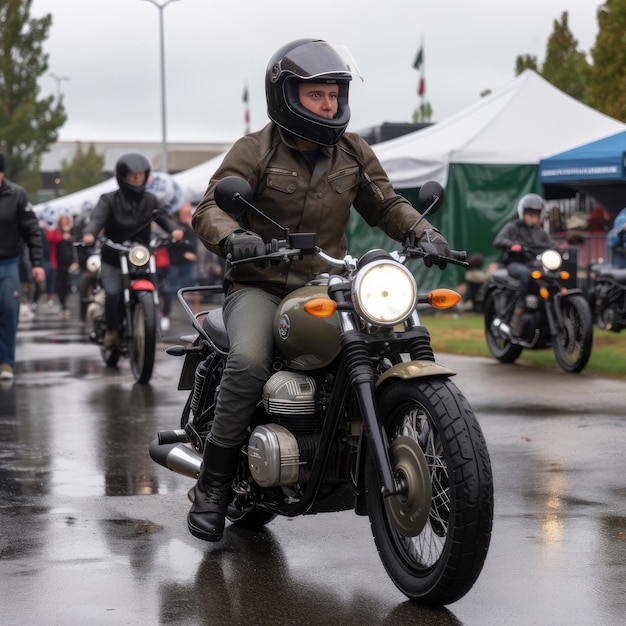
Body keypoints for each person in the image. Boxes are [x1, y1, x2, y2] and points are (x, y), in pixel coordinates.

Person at [187, 39, 453, 542]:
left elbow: (386, 203)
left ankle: (444, 474)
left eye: (333, 94)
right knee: (247, 361)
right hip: (261, 286)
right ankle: (213, 486)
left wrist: (423, 231)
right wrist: (235, 238)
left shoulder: (353, 151)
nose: (328, 105)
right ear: (287, 95)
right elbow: (209, 209)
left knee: (393, 340)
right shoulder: (255, 149)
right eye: (317, 95)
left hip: (327, 284)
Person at [81, 152, 184, 349]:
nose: (137, 177)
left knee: (156, 286)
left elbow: (164, 218)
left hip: (140, 256)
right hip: (113, 257)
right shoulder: (109, 200)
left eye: (141, 173)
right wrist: (89, 233)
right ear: (122, 175)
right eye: (132, 174)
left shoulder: (151, 200)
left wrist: (175, 229)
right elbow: (96, 220)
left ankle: (151, 323)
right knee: (113, 293)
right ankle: (111, 331)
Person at [0, 151, 45, 380]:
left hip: (8, 262)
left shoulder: (17, 195)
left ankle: (5, 362)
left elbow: (32, 231)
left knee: (9, 309)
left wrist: (37, 263)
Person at [493, 193, 554, 336]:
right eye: (530, 213)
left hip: (535, 264)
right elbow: (498, 241)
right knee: (525, 274)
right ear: (523, 213)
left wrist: (561, 248)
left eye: (536, 214)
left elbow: (552, 245)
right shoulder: (513, 227)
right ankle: (519, 308)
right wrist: (512, 245)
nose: (533, 217)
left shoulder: (541, 233)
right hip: (516, 264)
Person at [165, 202, 200, 320]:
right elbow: (170, 245)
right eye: (184, 210)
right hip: (176, 262)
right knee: (174, 287)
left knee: (189, 285)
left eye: (188, 210)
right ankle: (173, 313)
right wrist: (184, 254)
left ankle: (188, 313)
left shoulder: (192, 224)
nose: (187, 212)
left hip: (190, 263)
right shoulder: (176, 226)